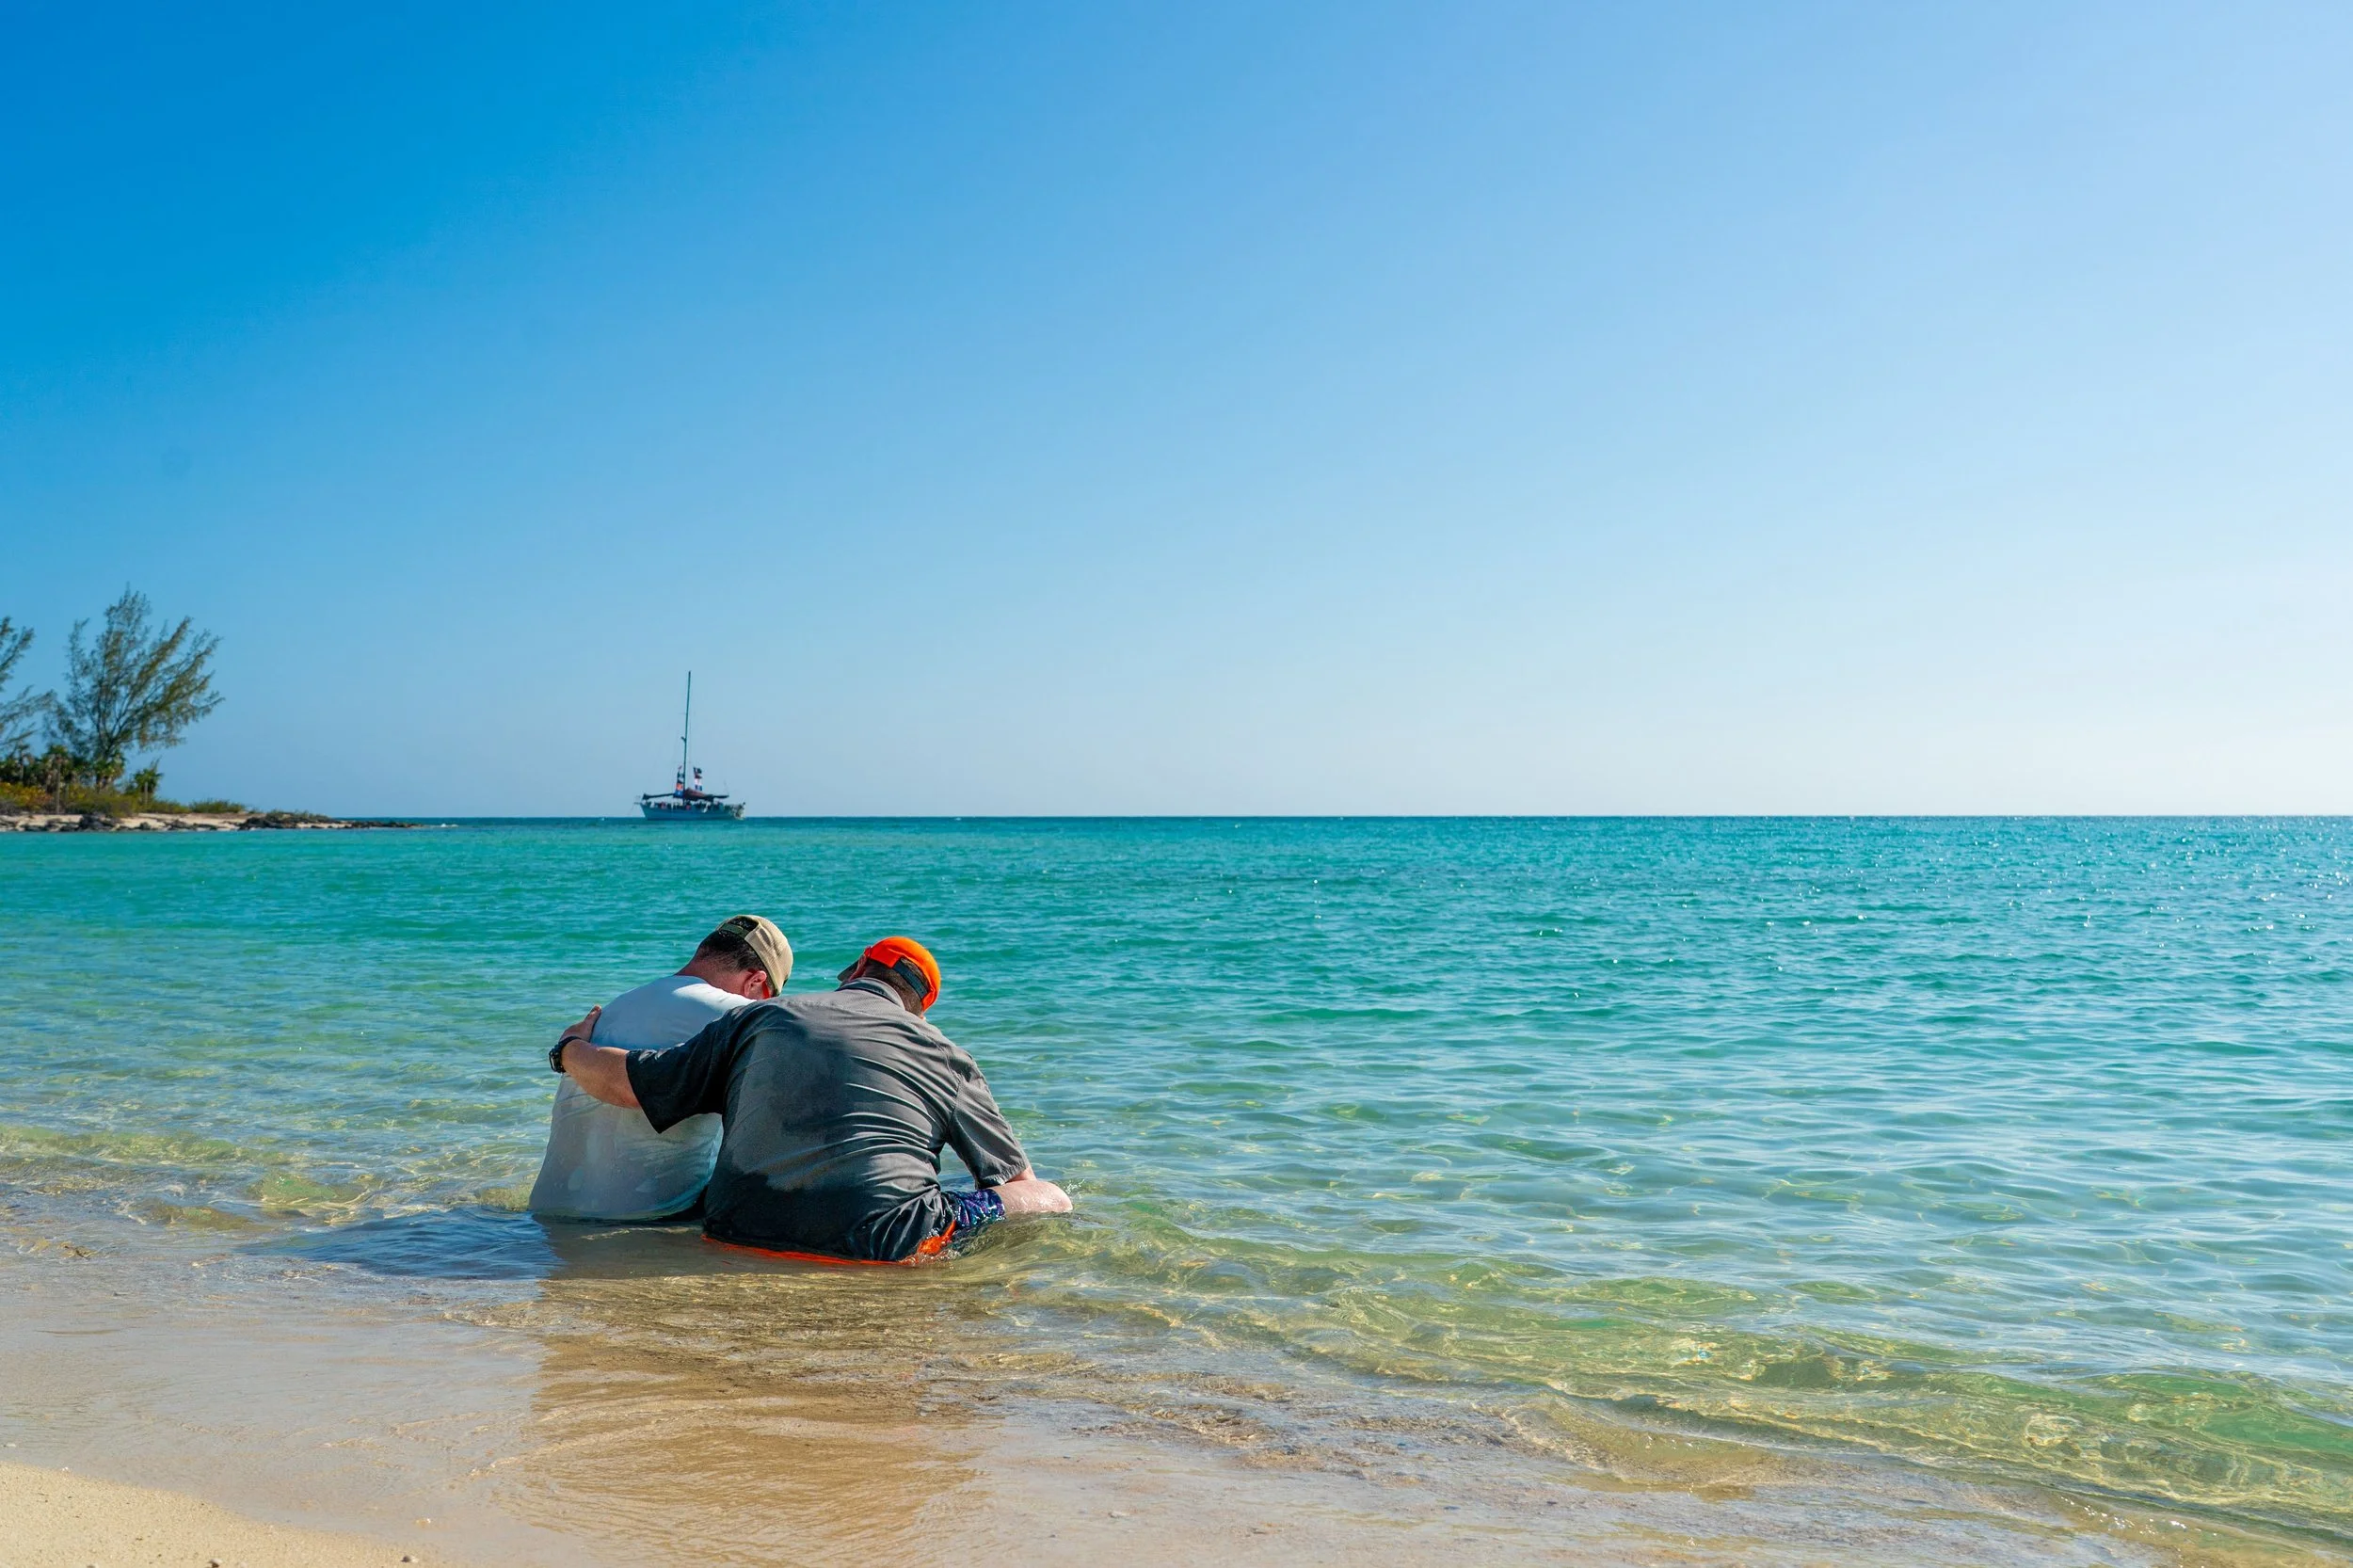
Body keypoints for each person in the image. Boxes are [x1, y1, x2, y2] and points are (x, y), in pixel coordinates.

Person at [547, 936, 1069, 1260]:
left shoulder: (760, 1016)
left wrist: (571, 1047)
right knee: (1047, 1195)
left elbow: (629, 1083)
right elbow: (1011, 1177)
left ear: (855, 971)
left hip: (738, 1230)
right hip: (881, 1244)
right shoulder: (945, 1053)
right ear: (920, 1011)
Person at [527, 914, 794, 1223]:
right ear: (756, 982)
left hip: (545, 1223)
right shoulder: (738, 1015)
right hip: (642, 1227)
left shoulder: (616, 1007)